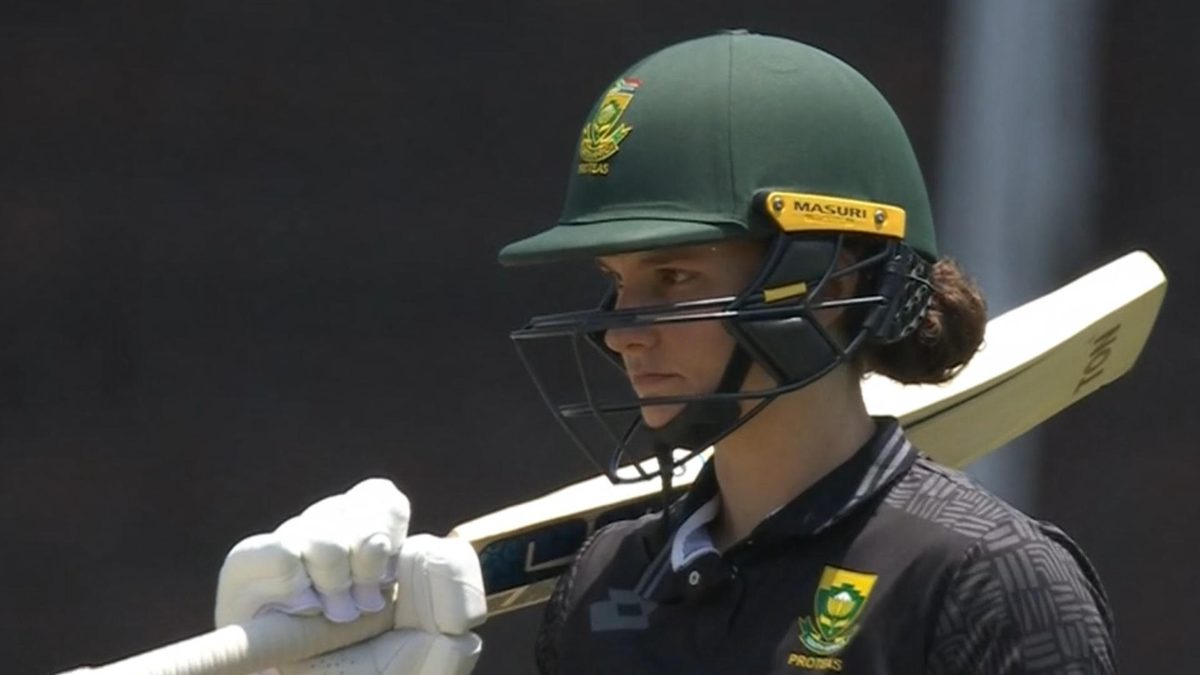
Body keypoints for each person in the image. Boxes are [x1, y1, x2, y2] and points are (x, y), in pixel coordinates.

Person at [215, 31, 1115, 674]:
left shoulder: (982, 582)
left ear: (832, 279)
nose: (620, 326)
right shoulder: (608, 583)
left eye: (676, 276)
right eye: (617, 277)